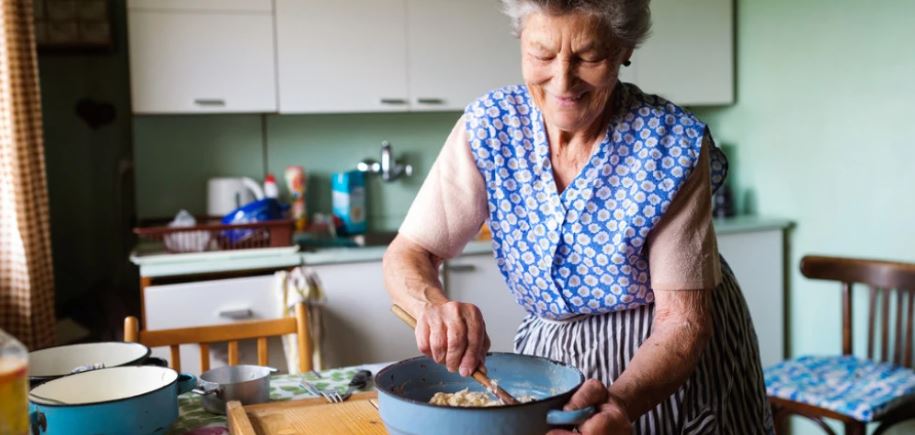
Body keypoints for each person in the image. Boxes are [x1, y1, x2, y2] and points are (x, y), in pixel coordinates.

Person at [383, 0, 773, 433]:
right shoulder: (490, 126)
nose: (562, 80)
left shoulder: (670, 144)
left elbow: (680, 320)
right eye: (542, 54)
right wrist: (432, 306)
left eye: (588, 56)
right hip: (554, 358)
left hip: (669, 359)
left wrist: (620, 403)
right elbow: (409, 252)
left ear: (624, 49)